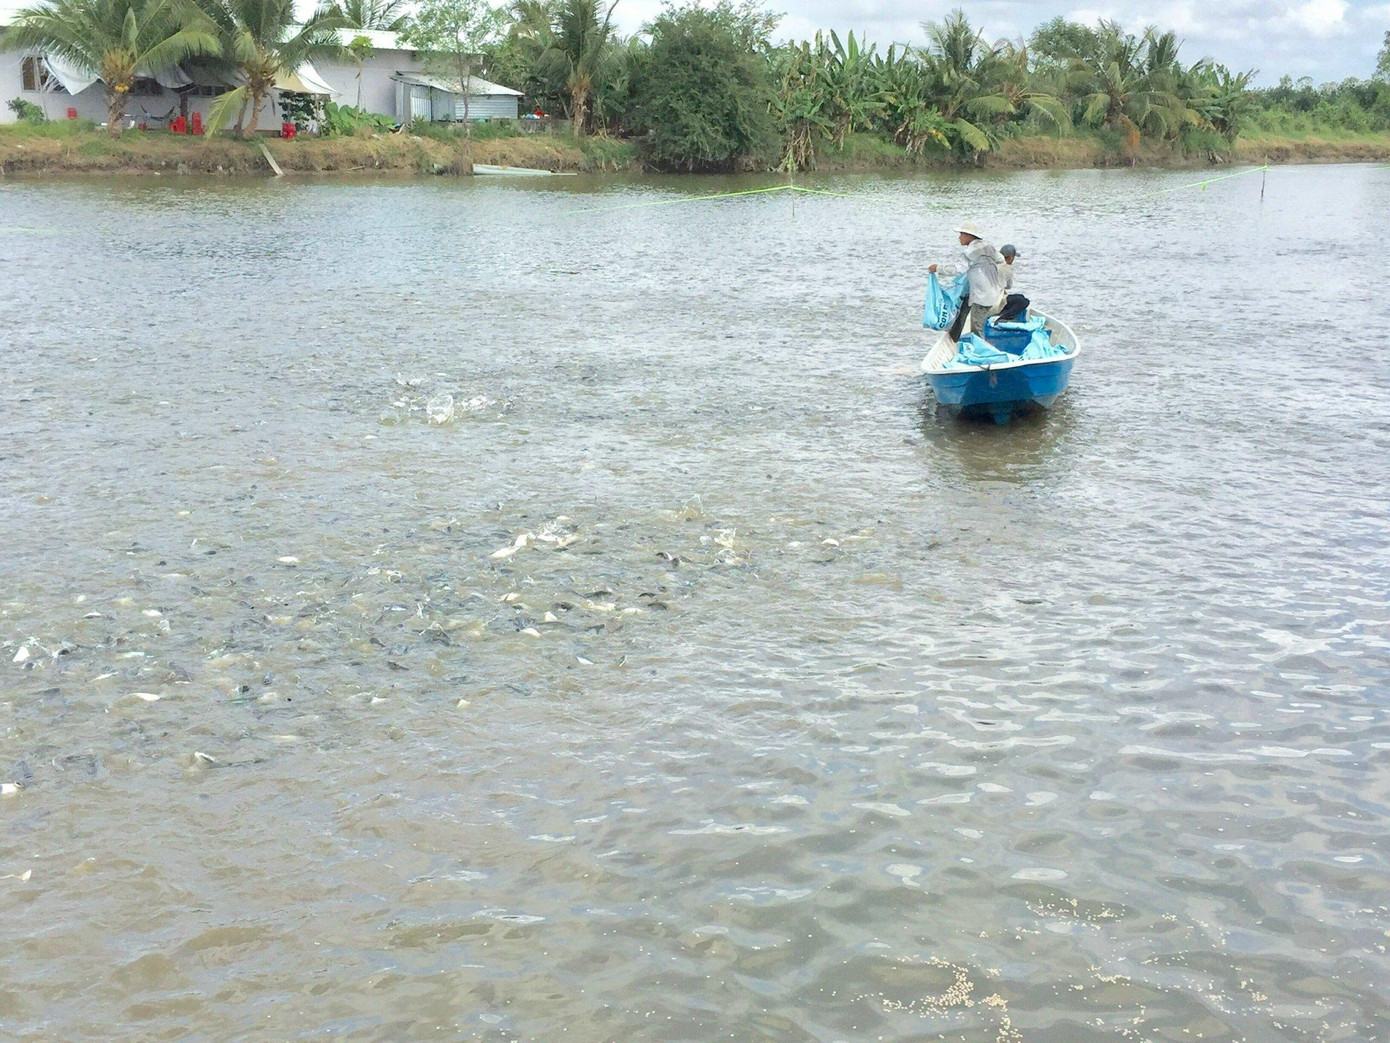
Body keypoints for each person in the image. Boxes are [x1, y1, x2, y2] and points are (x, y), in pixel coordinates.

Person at [928, 222, 1007, 339]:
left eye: (961, 234)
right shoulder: (988, 247)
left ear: (969, 236)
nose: (959, 237)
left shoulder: (969, 252)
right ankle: (954, 335)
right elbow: (1001, 260)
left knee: (977, 327)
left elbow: (956, 269)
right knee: (964, 306)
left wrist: (937, 268)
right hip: (994, 291)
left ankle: (980, 350)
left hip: (983, 296)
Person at [996, 243, 1030, 323]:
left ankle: (1003, 313)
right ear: (1011, 257)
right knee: (1024, 301)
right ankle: (1004, 318)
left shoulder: (994, 264)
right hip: (995, 301)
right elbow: (1008, 286)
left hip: (989, 297)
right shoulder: (1007, 269)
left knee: (1020, 297)